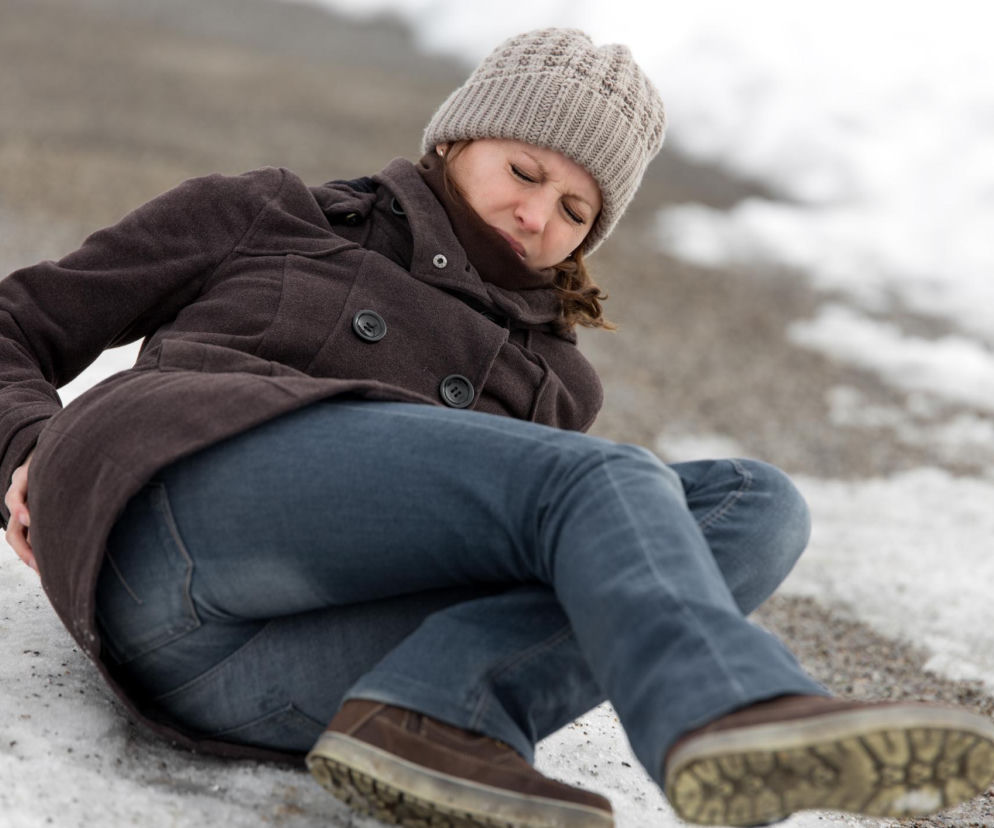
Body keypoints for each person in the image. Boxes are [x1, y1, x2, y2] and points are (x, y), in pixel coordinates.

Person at [2, 26, 992, 828]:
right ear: (454, 140)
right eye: (523, 169)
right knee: (601, 481)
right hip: (162, 527)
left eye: (573, 208)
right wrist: (26, 444)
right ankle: (727, 707)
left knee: (756, 507)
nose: (537, 215)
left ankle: (435, 713)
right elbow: (17, 323)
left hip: (262, 682)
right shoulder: (278, 214)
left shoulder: (558, 381)